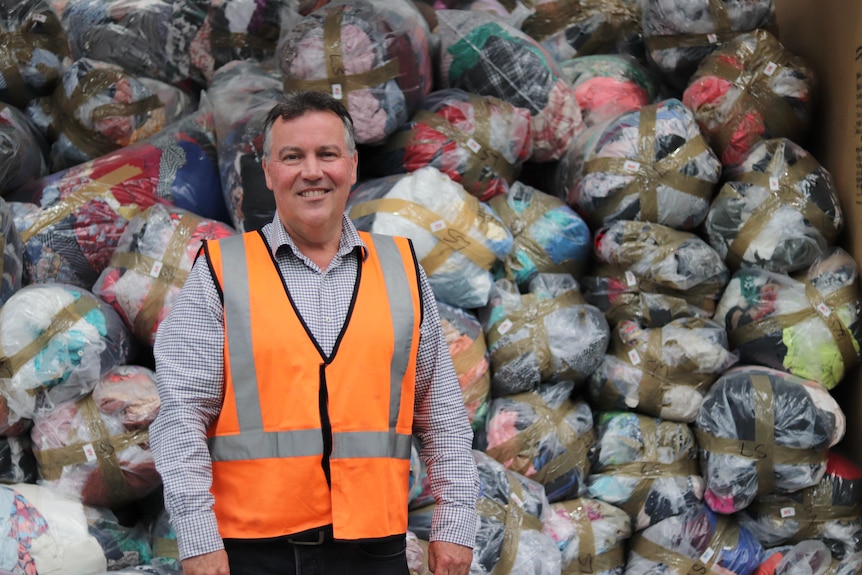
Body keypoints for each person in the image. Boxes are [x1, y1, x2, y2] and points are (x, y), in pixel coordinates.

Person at [149, 90, 479, 575]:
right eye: (292, 156)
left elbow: (441, 412)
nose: (311, 171)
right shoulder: (221, 271)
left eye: (326, 154)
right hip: (252, 552)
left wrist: (455, 520)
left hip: (373, 548)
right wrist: (198, 538)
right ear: (268, 171)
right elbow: (180, 415)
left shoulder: (402, 267)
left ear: (351, 164)